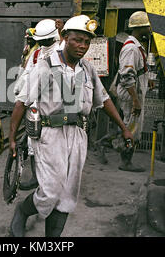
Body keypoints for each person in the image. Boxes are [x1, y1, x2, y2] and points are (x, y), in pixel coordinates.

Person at [8, 14, 133, 237]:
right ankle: (22, 211)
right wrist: (11, 138)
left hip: (76, 135)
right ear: (64, 37)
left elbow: (103, 100)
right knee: (49, 191)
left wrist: (124, 128)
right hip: (48, 135)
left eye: (87, 42)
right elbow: (22, 102)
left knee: (67, 193)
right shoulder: (44, 66)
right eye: (77, 40)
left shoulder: (87, 69)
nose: (82, 46)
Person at [16, 19, 64, 191]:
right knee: (32, 139)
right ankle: (37, 178)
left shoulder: (61, 51)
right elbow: (27, 73)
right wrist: (20, 90)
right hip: (35, 103)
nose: (42, 43)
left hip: (54, 104)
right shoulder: (37, 53)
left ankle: (52, 180)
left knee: (53, 143)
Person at [115, 11, 154, 172]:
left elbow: (135, 70)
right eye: (147, 25)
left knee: (130, 124)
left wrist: (147, 77)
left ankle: (111, 144)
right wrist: (136, 100)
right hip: (131, 93)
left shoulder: (136, 46)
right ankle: (126, 161)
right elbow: (126, 76)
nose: (150, 28)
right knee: (131, 127)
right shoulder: (131, 48)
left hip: (134, 91)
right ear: (141, 27)